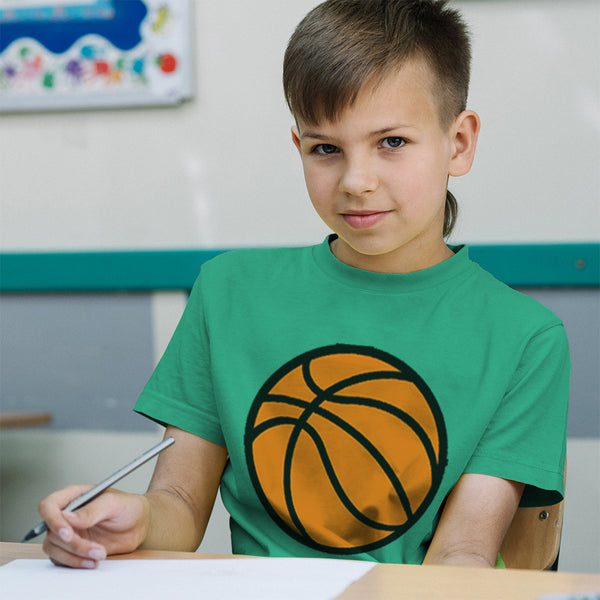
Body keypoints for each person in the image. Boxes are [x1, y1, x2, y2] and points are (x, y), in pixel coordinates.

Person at [38, 0, 569, 570]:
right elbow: (180, 505)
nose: (355, 181)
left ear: (458, 143)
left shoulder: (525, 338)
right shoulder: (227, 293)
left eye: (391, 142)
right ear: (300, 148)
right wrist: (135, 519)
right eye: (326, 148)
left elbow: (462, 552)